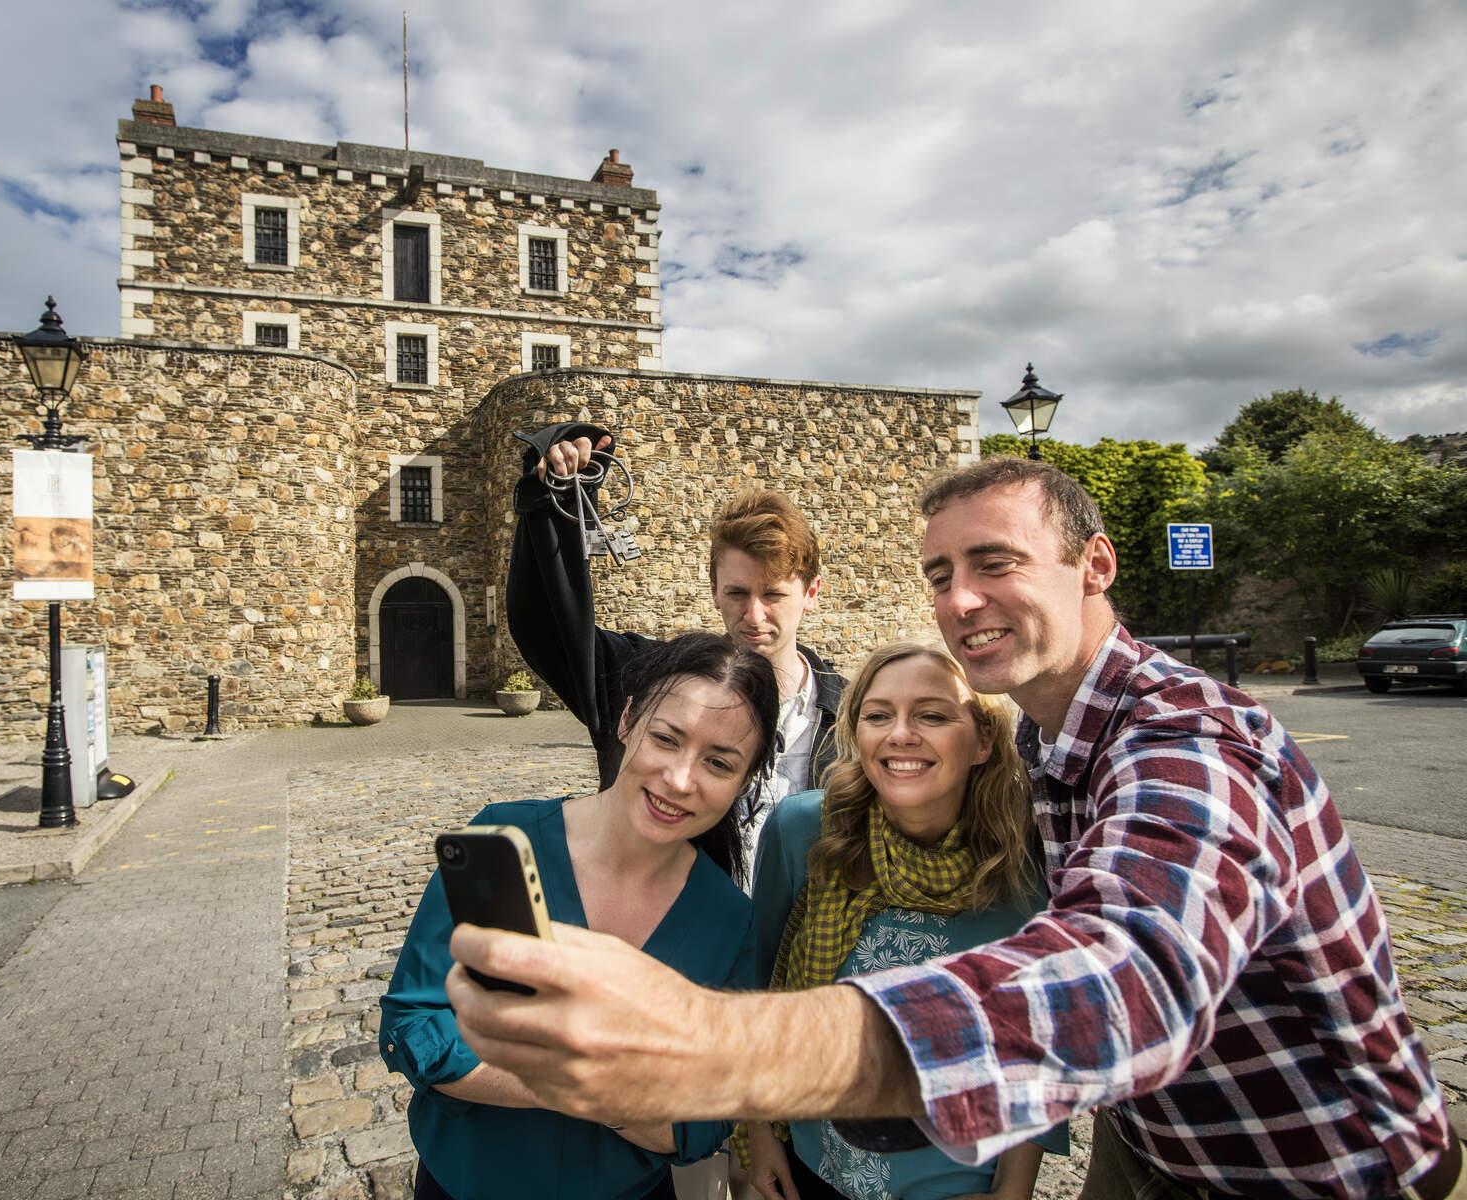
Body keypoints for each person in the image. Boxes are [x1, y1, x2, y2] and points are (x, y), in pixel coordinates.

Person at [444, 457, 1462, 1200]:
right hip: (1154, 1141)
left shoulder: (1188, 741)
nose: (961, 599)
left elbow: (1124, 979)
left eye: (994, 563)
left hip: (1317, 1165)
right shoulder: (1041, 746)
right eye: (938, 574)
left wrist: (710, 1045)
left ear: (1094, 564)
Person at [379, 632, 778, 1200]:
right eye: (667, 738)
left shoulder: (728, 919)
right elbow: (416, 1026)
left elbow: (705, 1118)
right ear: (626, 720)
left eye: (719, 762)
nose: (681, 780)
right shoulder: (502, 841)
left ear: (744, 780)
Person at [739, 641, 1064, 1200]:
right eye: (878, 715)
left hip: (956, 1180)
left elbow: (1035, 1055)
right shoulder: (803, 833)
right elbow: (756, 990)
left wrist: (1014, 1191)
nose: (900, 735)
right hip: (815, 1168)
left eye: (932, 715)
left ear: (984, 739)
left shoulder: (1027, 868)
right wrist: (759, 1133)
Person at [506, 422, 844, 886]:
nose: (754, 614)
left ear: (811, 593)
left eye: (774, 594)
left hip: (805, 949)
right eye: (738, 592)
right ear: (713, 591)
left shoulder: (854, 715)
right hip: (679, 938)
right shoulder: (650, 681)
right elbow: (544, 627)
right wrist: (555, 502)